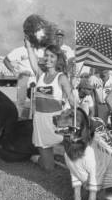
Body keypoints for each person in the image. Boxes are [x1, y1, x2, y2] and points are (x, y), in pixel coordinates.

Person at [25, 41, 75, 171]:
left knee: (73, 148)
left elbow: (72, 100)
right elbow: (33, 61)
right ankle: (36, 158)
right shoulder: (40, 75)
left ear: (58, 59)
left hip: (57, 121)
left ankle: (60, 152)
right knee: (48, 168)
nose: (48, 58)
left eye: (52, 56)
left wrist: (78, 112)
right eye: (46, 55)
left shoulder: (61, 77)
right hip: (40, 121)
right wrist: (29, 46)